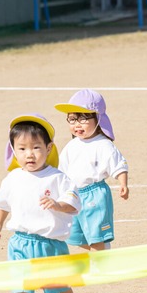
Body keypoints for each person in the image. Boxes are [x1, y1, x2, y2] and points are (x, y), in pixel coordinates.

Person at [0, 113, 85, 293]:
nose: (29, 154)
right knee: (22, 292)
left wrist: (57, 205)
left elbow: (73, 204)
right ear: (13, 150)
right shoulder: (13, 178)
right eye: (21, 148)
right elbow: (4, 203)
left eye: (35, 147)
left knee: (61, 287)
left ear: (49, 147)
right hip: (21, 244)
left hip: (51, 245)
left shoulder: (58, 178)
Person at [55, 89, 129, 251]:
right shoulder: (71, 146)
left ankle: (101, 261)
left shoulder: (104, 145)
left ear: (98, 119)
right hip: (74, 195)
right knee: (73, 236)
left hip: (95, 195)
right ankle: (104, 253)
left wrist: (123, 183)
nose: (77, 124)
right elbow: (62, 171)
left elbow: (119, 165)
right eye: (72, 119)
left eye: (83, 118)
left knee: (96, 237)